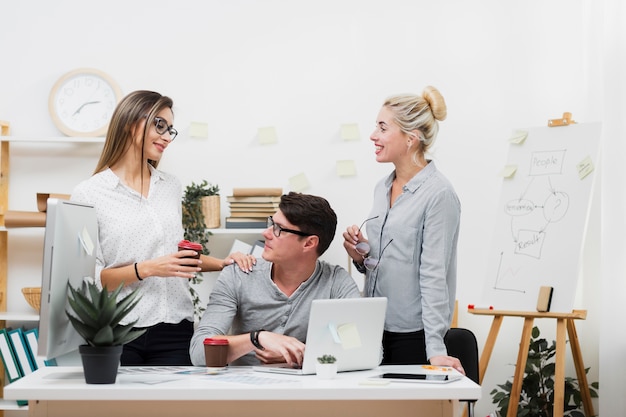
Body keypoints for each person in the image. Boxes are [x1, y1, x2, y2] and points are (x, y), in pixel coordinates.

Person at [71, 90, 256, 366]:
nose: (167, 136)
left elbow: (176, 255)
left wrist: (222, 263)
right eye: (160, 125)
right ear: (130, 122)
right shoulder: (90, 193)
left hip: (176, 328)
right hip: (120, 330)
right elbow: (90, 278)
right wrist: (147, 269)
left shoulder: (170, 186)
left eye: (170, 129)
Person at [342, 86, 464, 374]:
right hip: (375, 329)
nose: (373, 135)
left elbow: (433, 273)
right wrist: (362, 254)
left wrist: (435, 348)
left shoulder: (439, 195)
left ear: (411, 138)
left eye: (382, 128)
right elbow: (394, 257)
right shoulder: (382, 187)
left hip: (414, 336)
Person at [190, 192, 361, 367]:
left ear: (309, 243)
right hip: (244, 390)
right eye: (271, 223)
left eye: (278, 229)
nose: (266, 233)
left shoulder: (336, 282)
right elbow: (199, 354)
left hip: (308, 391)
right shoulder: (238, 274)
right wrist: (258, 338)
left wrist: (299, 356)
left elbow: (364, 349)